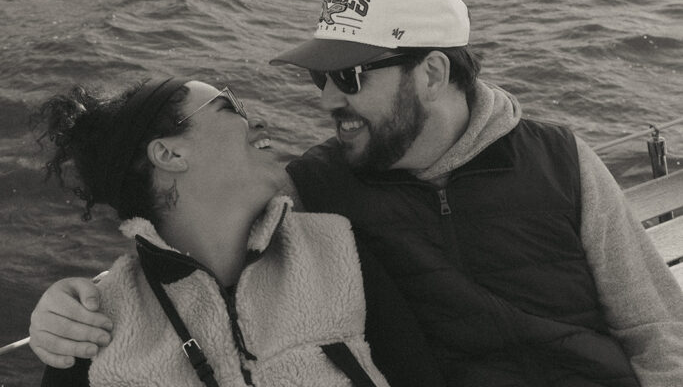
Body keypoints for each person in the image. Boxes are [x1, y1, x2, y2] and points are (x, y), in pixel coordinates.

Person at [30, 0, 683, 385]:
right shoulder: (316, 185)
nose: (326, 101)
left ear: (431, 71)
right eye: (320, 77)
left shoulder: (558, 158)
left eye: (348, 77)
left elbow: (654, 327)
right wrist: (71, 301)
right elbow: (190, 238)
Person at [29, 72, 440, 387]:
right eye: (230, 108)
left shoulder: (339, 252)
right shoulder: (90, 326)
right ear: (170, 153)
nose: (257, 121)